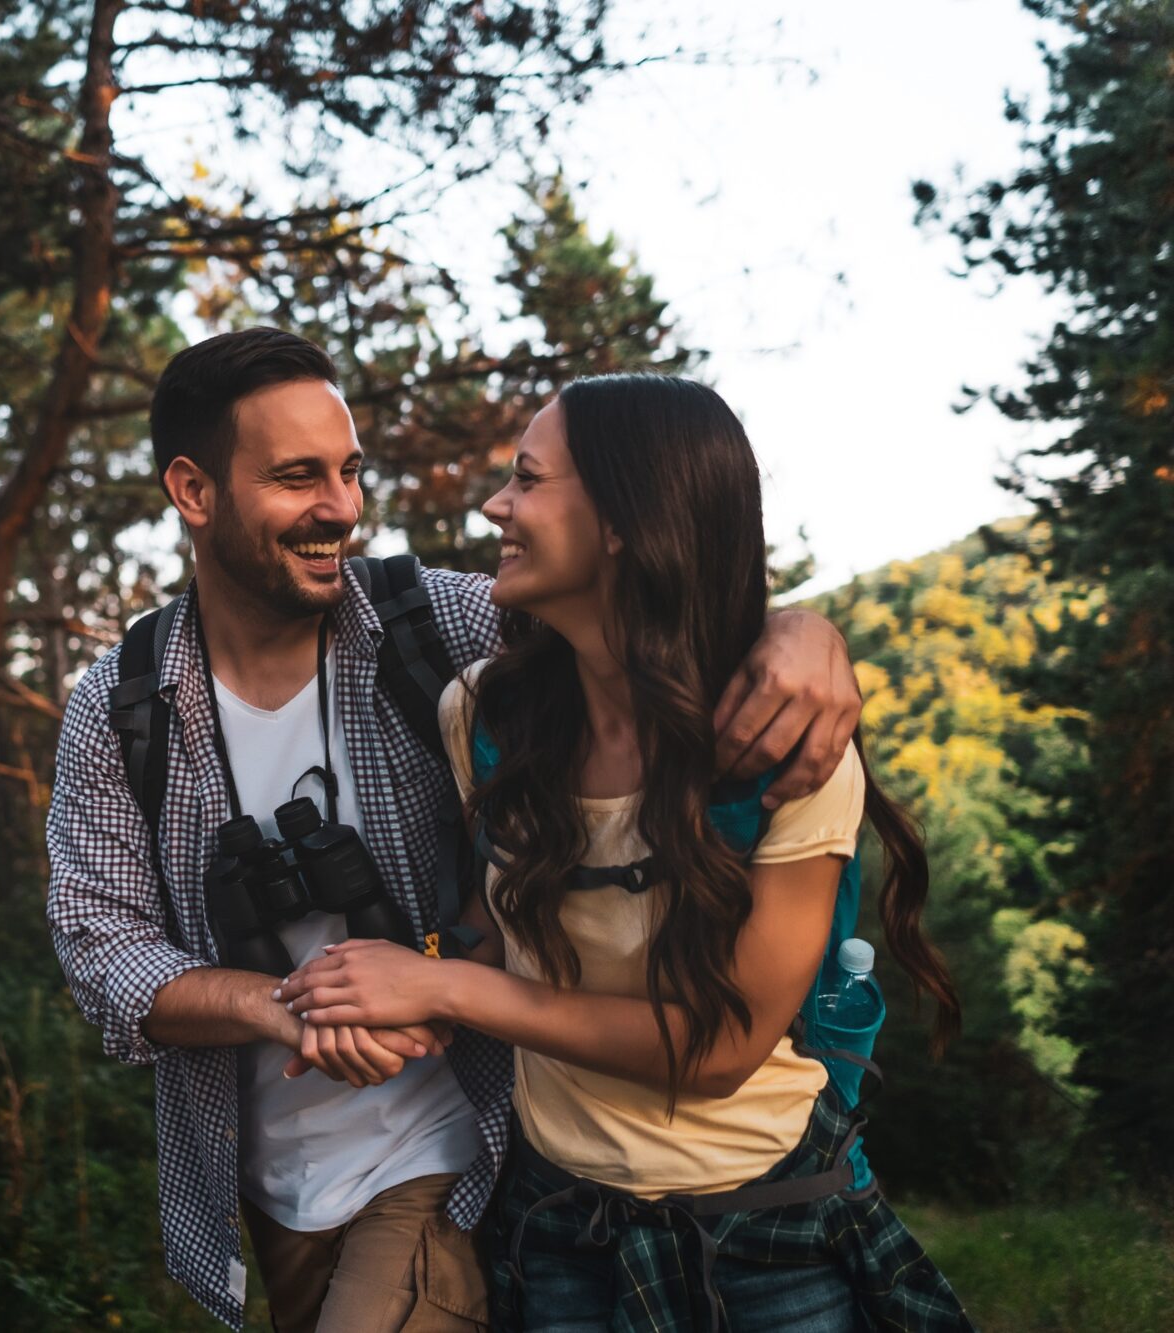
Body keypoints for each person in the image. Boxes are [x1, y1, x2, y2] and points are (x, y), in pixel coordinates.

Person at [47, 332, 864, 1331]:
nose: (340, 508)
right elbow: (98, 943)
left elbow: (649, 598)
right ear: (193, 489)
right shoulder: (121, 707)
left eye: (348, 472)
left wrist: (801, 633)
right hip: (263, 1183)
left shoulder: (436, 626)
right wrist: (279, 1006)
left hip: (449, 1150)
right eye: (297, 477)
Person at [278, 374, 973, 1330]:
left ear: (621, 519)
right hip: (561, 1226)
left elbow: (720, 1049)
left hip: (769, 1229)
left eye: (527, 480)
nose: (496, 505)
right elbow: (493, 929)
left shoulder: (787, 748)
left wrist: (444, 989)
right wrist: (385, 991)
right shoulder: (484, 714)